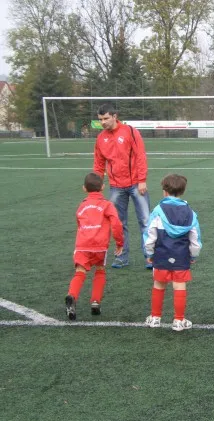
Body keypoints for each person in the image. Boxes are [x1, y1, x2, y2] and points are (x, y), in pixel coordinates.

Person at [93, 103, 151, 269]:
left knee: (145, 221)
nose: (103, 122)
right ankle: (121, 257)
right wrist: (97, 185)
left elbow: (140, 156)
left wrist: (142, 179)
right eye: (100, 119)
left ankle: (150, 257)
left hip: (136, 184)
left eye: (106, 118)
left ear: (114, 116)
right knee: (118, 224)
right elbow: (99, 163)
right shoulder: (101, 138)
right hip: (116, 186)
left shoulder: (130, 131)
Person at [143, 174, 202, 332]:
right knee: (179, 286)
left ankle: (155, 318)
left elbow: (150, 235)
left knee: (158, 283)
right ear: (182, 191)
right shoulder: (190, 212)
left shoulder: (157, 211)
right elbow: (195, 238)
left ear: (164, 191)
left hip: (161, 255)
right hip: (181, 256)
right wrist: (193, 255)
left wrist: (149, 254)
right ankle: (178, 321)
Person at [65, 173, 124, 320]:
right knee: (100, 270)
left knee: (80, 272)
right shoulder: (107, 205)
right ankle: (95, 302)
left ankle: (72, 296)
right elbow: (116, 223)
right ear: (103, 187)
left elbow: (79, 223)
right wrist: (119, 243)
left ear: (84, 188)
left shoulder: (82, 206)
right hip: (100, 246)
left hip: (82, 245)